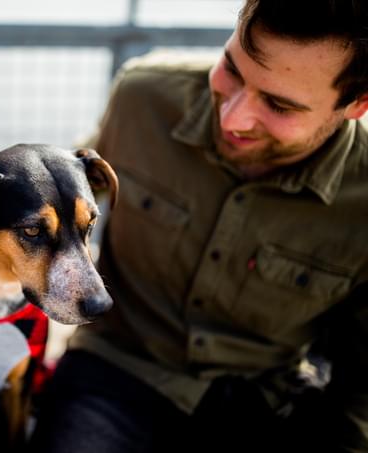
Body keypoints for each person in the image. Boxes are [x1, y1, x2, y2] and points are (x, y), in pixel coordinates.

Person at [30, 1, 368, 452]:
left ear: (357, 104)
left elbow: (360, 384)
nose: (234, 118)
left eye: (279, 105)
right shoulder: (141, 96)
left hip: (261, 403)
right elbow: (63, 196)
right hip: (113, 371)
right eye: (231, 68)